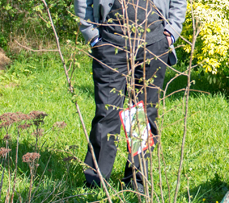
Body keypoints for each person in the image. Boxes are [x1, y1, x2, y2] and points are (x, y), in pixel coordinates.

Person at [74, 0, 187, 191]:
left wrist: (171, 32)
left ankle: (137, 180)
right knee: (107, 113)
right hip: (110, 42)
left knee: (142, 114)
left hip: (153, 43)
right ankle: (95, 181)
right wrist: (92, 34)